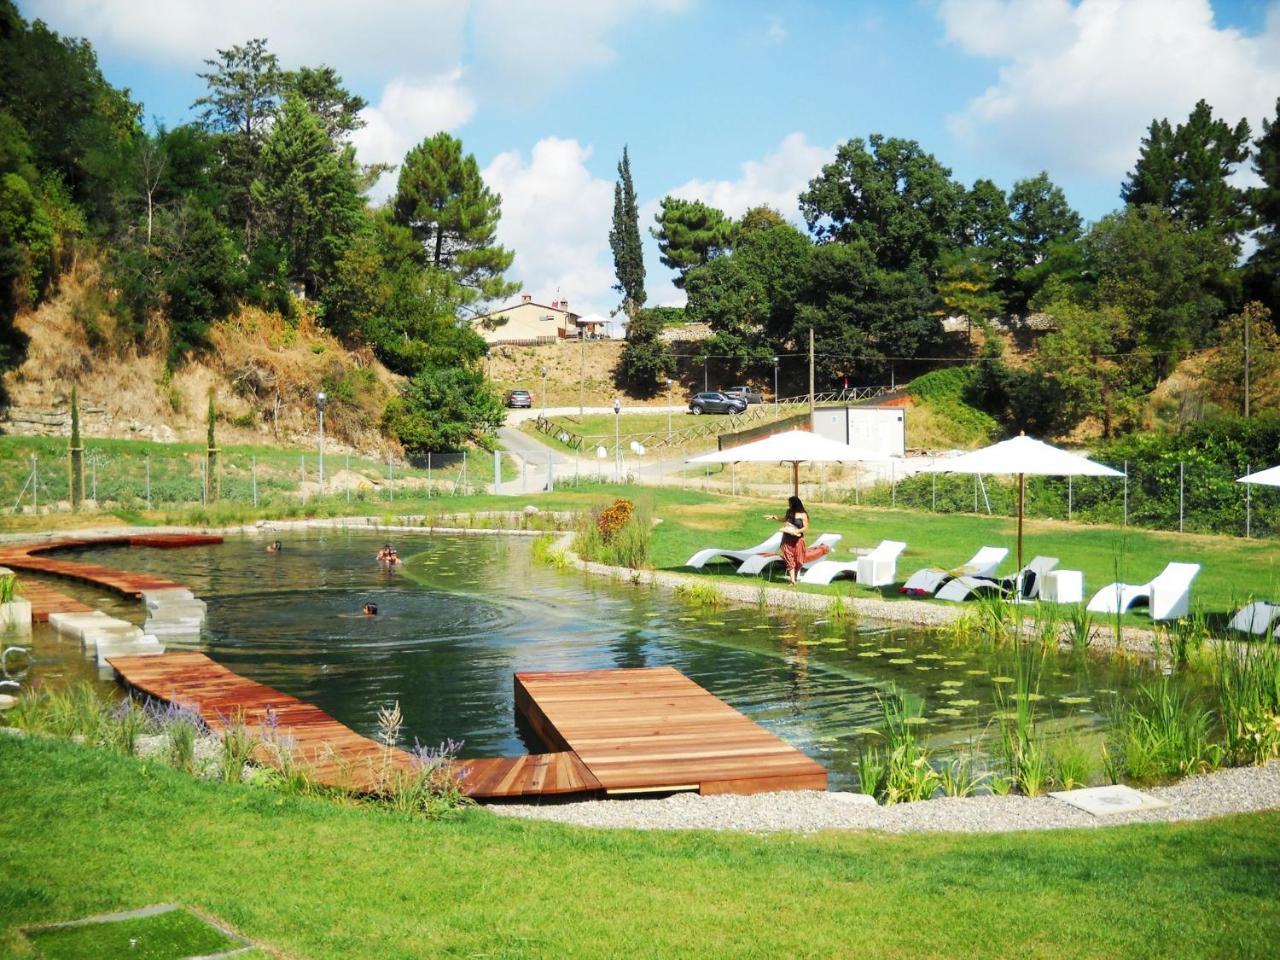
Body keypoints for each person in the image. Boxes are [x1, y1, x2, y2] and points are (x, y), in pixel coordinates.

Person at [767, 495, 816, 585]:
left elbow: (806, 527)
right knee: (789, 558)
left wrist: (798, 530)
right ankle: (792, 580)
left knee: (799, 559)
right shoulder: (789, 512)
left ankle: (796, 575)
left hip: (798, 538)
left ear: (795, 504)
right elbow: (784, 519)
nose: (788, 504)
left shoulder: (803, 514)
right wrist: (774, 517)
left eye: (790, 503)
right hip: (787, 538)